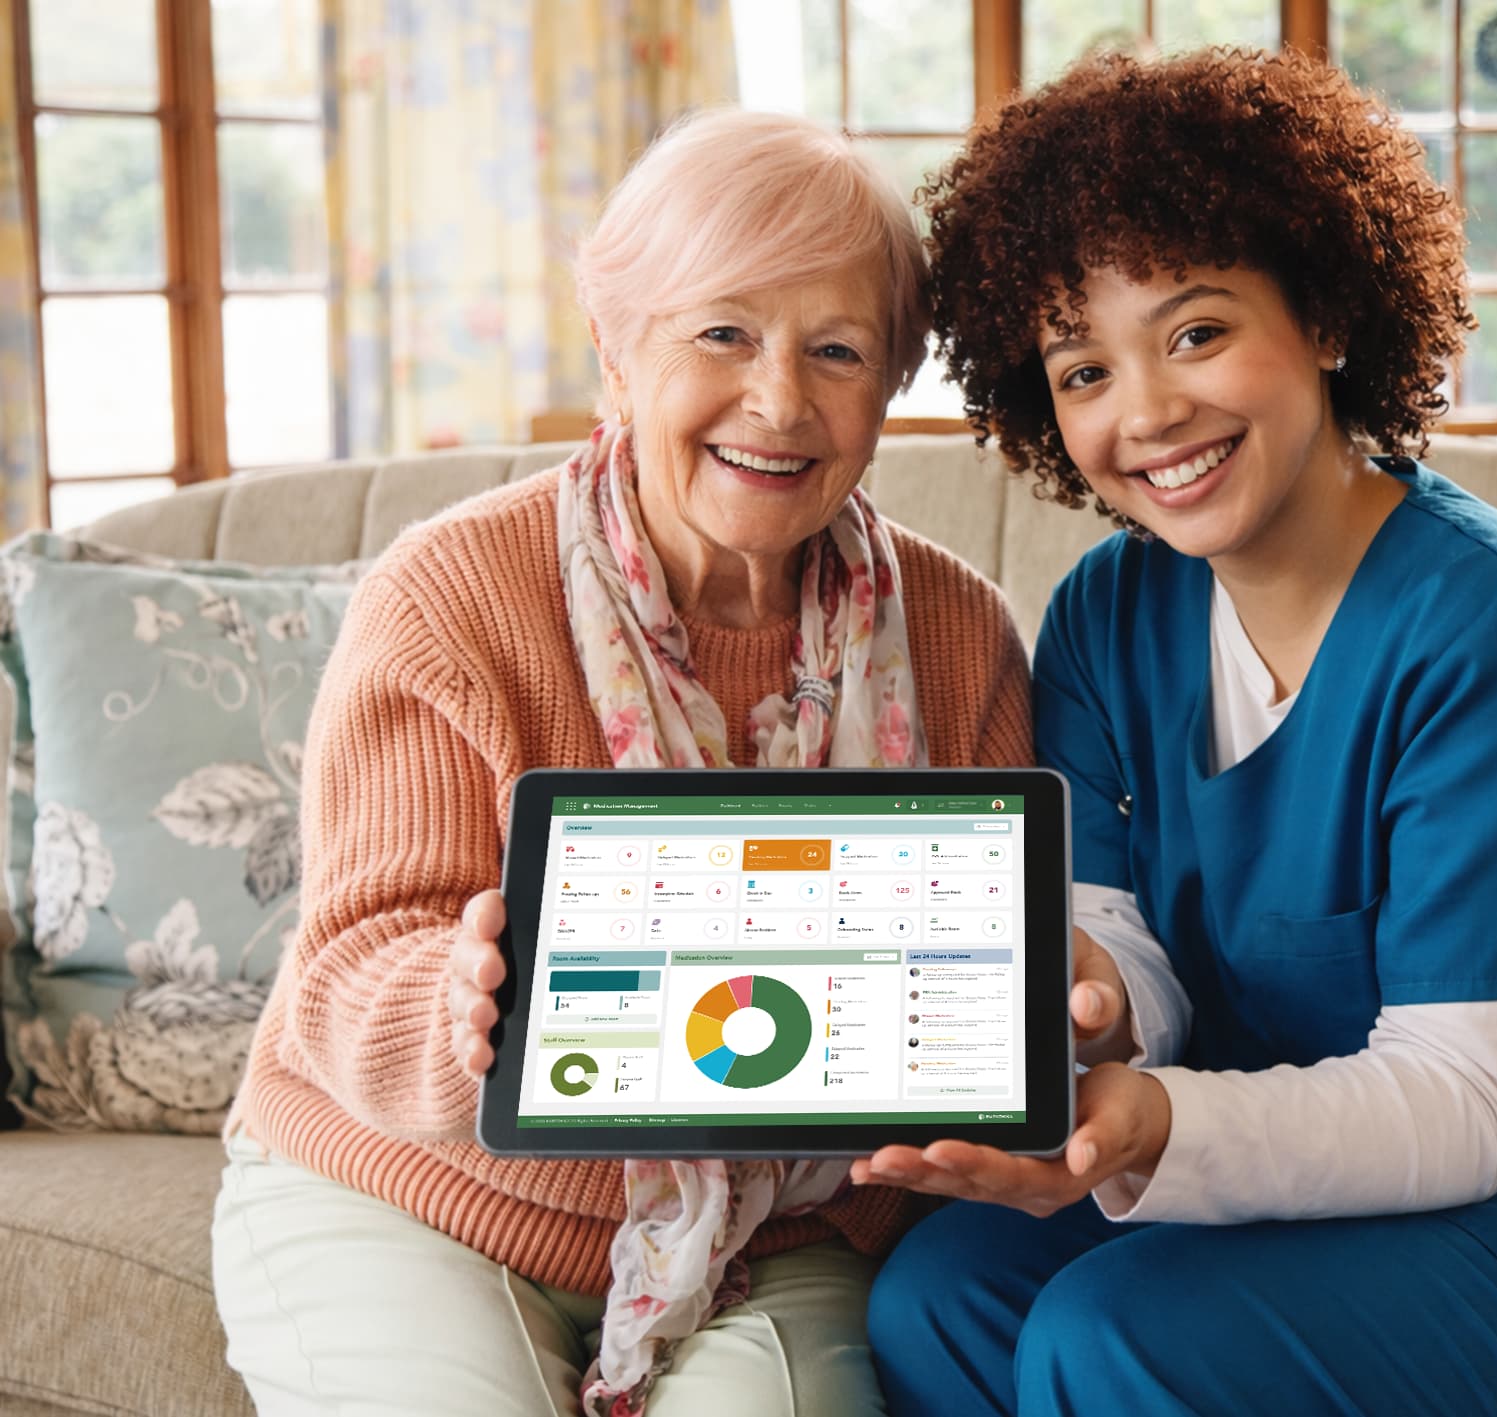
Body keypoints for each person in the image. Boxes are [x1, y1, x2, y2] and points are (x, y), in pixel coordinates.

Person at [856, 47, 1497, 1417]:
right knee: (943, 1294)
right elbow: (1137, 961)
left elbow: (1462, 1104)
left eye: (1197, 331)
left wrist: (1154, 1122)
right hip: (1369, 1187)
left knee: (1126, 1330)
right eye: (1080, 366)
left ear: (1328, 316)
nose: (1146, 412)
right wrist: (1086, 997)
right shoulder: (1108, 615)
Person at [210, 108, 1031, 1417]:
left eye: (836, 350)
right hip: (411, 1186)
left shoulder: (955, 633)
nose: (778, 399)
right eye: (721, 333)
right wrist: (455, 1002)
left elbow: (981, 999)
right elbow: (355, 956)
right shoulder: (450, 594)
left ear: (887, 392)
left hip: (780, 1225)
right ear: (615, 347)